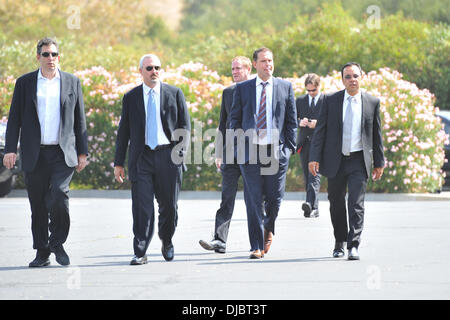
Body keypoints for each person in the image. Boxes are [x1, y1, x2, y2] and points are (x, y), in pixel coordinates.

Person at [3, 37, 88, 267]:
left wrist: (83, 152)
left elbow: (80, 120)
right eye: (46, 54)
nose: (51, 58)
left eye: (54, 54)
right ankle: (42, 252)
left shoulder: (72, 82)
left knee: (60, 195)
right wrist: (10, 149)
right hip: (35, 153)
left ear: (59, 57)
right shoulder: (25, 83)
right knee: (38, 204)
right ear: (38, 57)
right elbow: (15, 119)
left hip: (62, 153)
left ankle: (57, 242)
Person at [114, 54, 190, 265]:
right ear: (141, 72)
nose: (154, 71)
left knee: (169, 206)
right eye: (149, 68)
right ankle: (140, 251)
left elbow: (185, 126)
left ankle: (167, 240)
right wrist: (118, 163)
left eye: (157, 67)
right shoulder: (131, 97)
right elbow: (124, 132)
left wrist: (180, 154)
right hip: (142, 158)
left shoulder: (174, 93)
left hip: (169, 156)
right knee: (142, 208)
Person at [308, 62, 384, 260]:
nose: (352, 80)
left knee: (356, 203)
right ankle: (340, 241)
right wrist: (314, 157)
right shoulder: (331, 101)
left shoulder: (372, 102)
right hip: (336, 160)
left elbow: (376, 134)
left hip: (359, 160)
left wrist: (379, 162)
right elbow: (320, 131)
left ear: (362, 77)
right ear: (342, 80)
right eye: (348, 77)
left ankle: (354, 245)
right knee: (336, 203)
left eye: (355, 76)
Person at [230, 47, 297, 259]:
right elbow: (234, 119)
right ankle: (256, 245)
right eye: (264, 61)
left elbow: (291, 122)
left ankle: (268, 226)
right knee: (253, 199)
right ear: (255, 64)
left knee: (275, 198)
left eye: (271, 60)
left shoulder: (285, 87)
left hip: (276, 151)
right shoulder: (244, 88)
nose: (268, 64)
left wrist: (289, 148)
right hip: (250, 152)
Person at [199, 56, 252, 254]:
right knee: (226, 198)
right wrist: (219, 153)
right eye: (233, 69)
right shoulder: (228, 93)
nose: (235, 72)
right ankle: (219, 239)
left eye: (238, 68)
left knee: (254, 199)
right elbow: (223, 124)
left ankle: (257, 241)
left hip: (253, 155)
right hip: (230, 153)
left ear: (248, 69)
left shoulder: (257, 90)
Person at [296, 74, 324, 218]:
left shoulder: (326, 100)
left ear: (319, 87)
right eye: (308, 91)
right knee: (308, 175)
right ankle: (314, 208)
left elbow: (332, 121)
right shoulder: (300, 100)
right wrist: (299, 122)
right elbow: (292, 118)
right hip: (304, 142)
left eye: (313, 90)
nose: (311, 93)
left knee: (315, 174)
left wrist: (317, 123)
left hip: (319, 143)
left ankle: (309, 202)